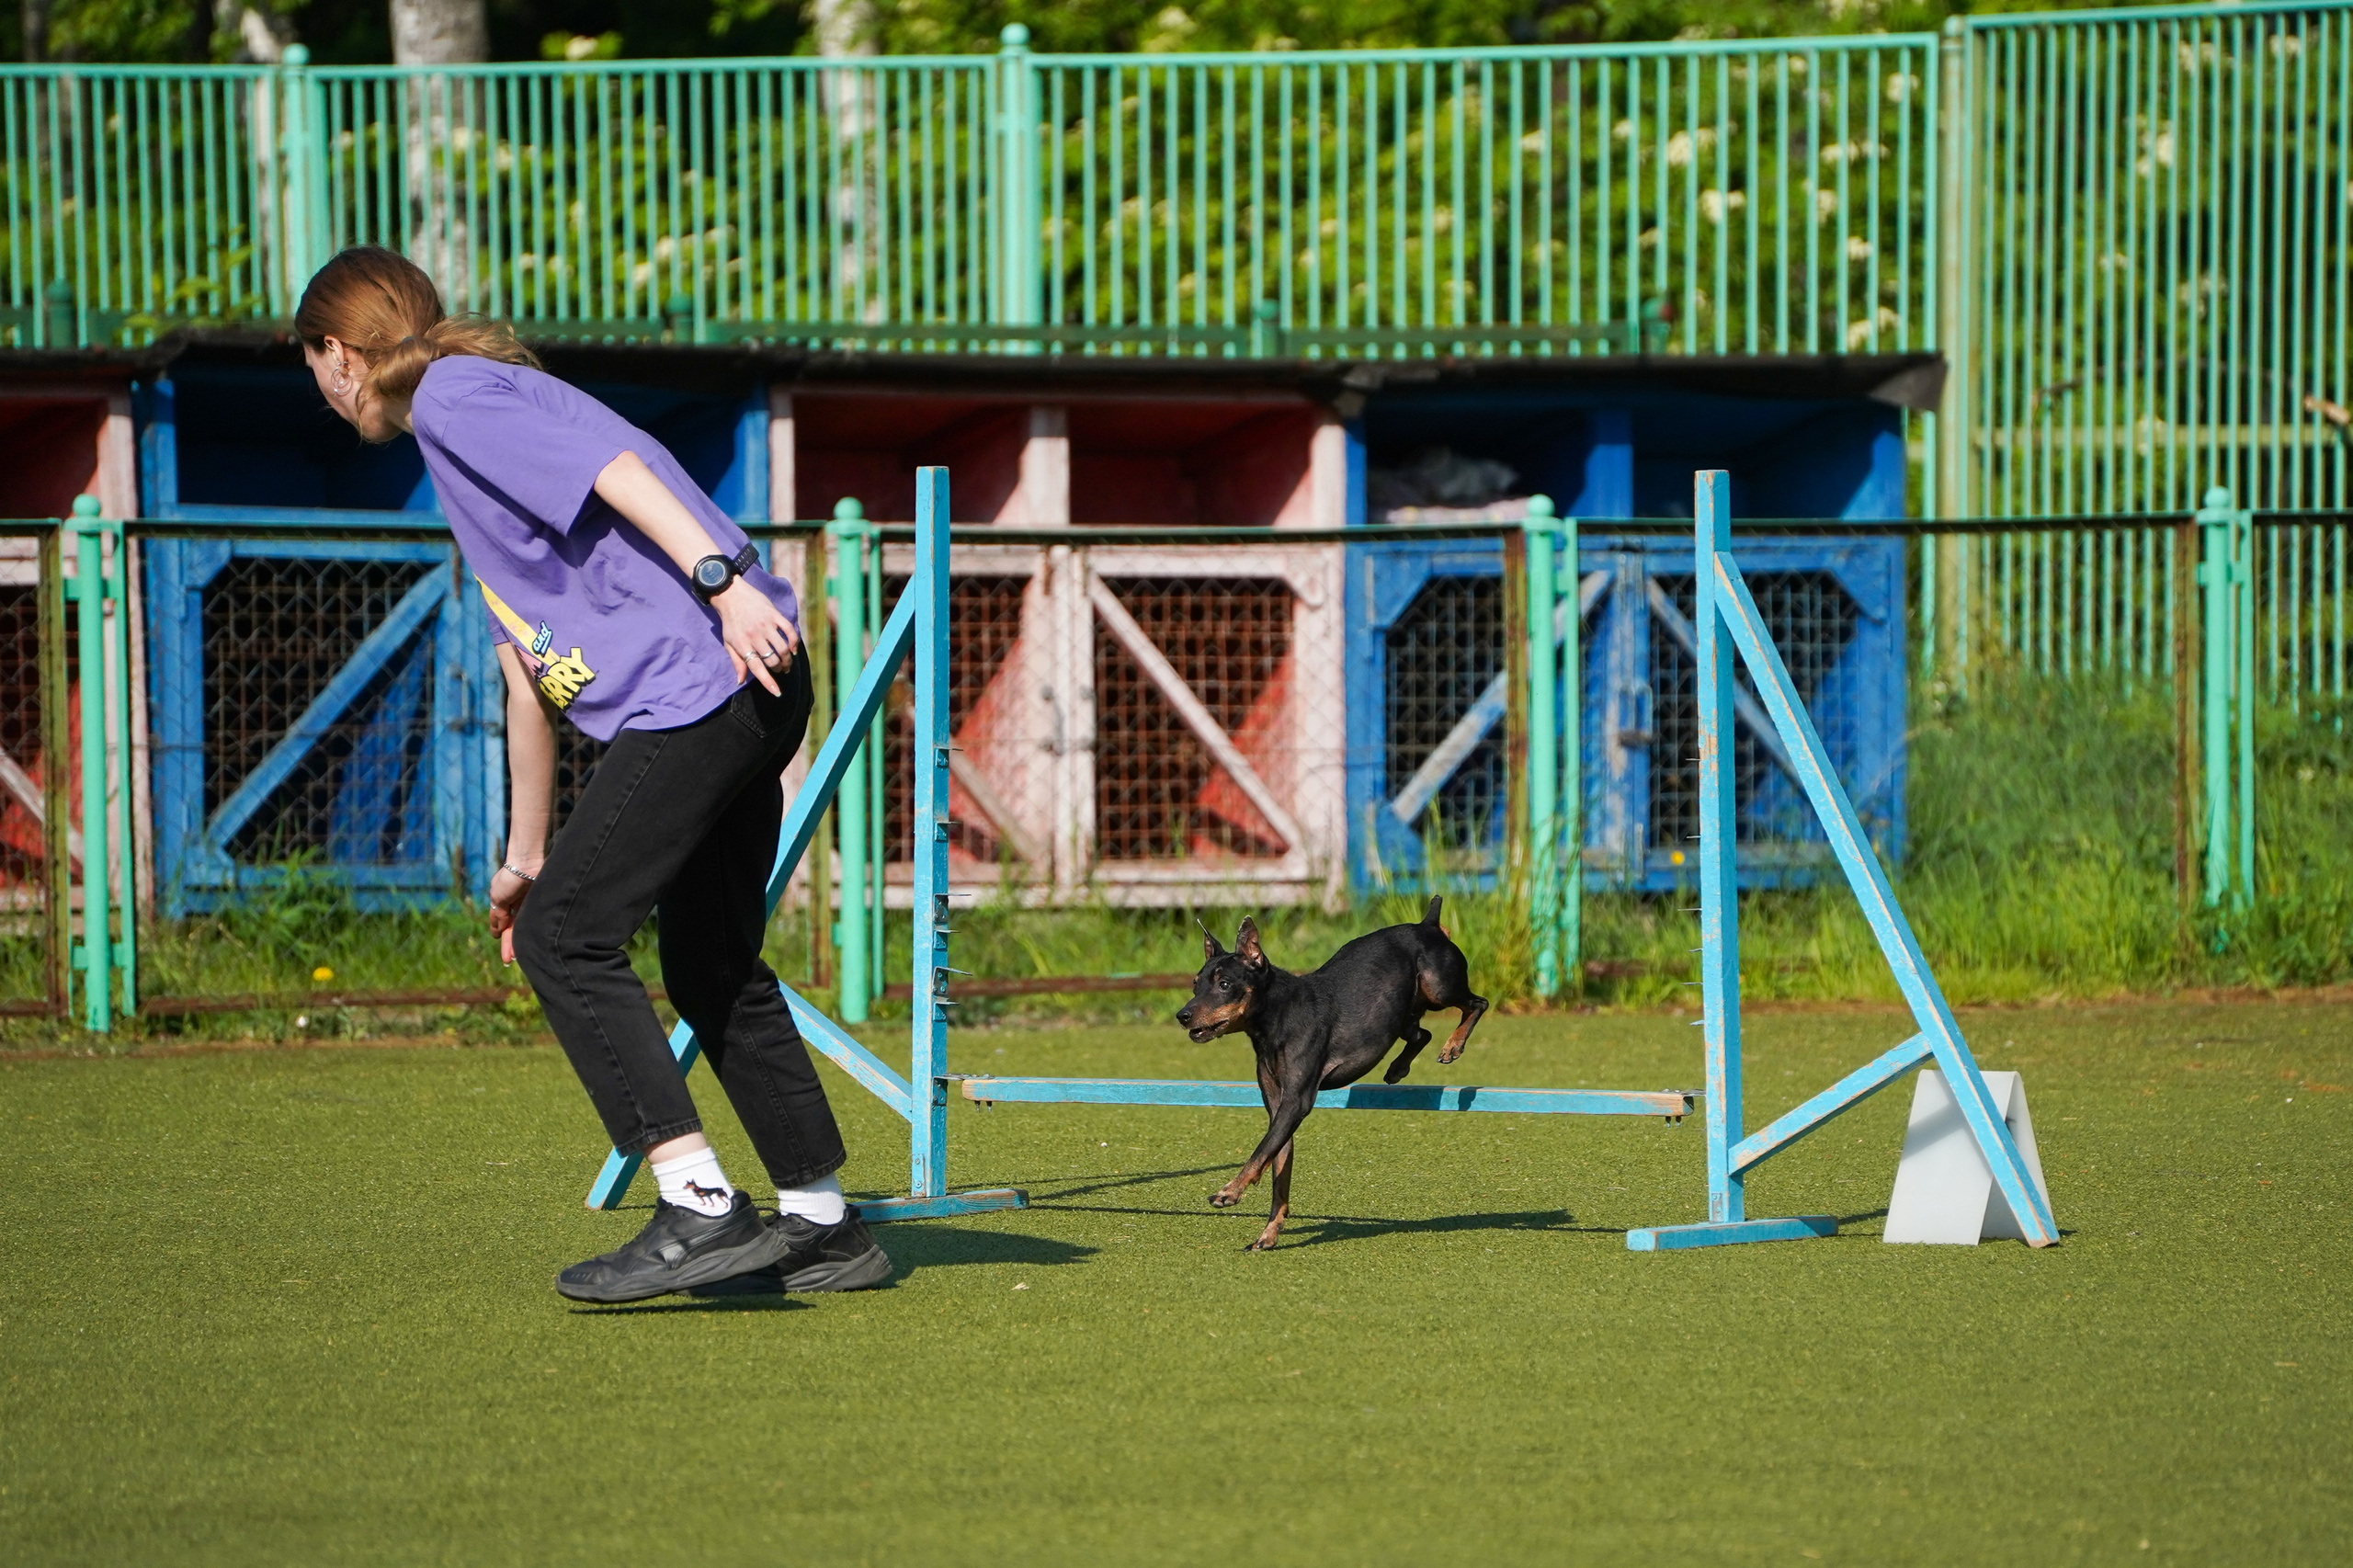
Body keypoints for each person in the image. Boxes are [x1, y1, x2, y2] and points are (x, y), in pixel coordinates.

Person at [294, 245, 888, 1302]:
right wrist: (525, 858)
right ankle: (825, 1223)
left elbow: (622, 471)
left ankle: (698, 1202)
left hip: (711, 676)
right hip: (733, 685)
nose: (325, 396)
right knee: (707, 959)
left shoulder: (455, 395)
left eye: (316, 376)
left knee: (571, 940)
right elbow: (530, 678)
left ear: (336, 354)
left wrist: (723, 583)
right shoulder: (460, 446)